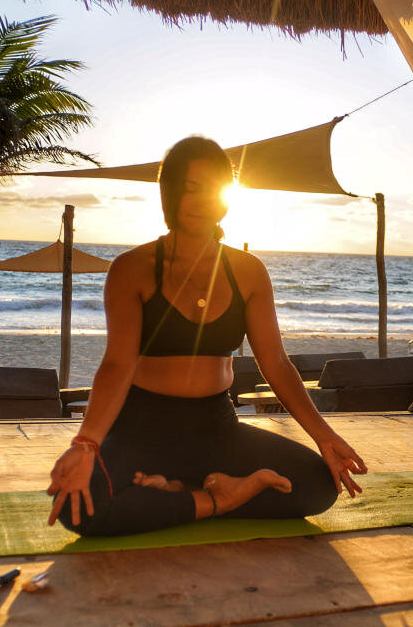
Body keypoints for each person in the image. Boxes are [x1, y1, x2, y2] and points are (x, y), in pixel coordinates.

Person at [46, 135, 367, 535]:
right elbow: (117, 364)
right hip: (142, 428)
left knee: (318, 486)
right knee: (79, 506)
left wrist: (325, 437)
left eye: (211, 188)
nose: (199, 200)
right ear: (170, 194)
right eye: (188, 187)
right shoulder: (133, 267)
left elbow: (277, 364)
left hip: (217, 427)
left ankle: (175, 495)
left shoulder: (248, 271)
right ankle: (215, 497)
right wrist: (86, 443)